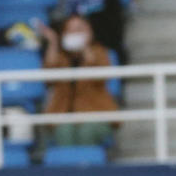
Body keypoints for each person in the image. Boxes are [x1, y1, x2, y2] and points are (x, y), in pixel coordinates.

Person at [36, 13, 119, 148]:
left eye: (79, 29)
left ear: (89, 31)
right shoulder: (61, 56)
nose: (75, 34)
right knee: (64, 132)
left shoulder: (99, 52)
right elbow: (48, 77)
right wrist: (53, 42)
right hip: (63, 113)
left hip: (96, 113)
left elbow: (101, 77)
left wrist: (85, 46)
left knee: (87, 132)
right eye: (70, 30)